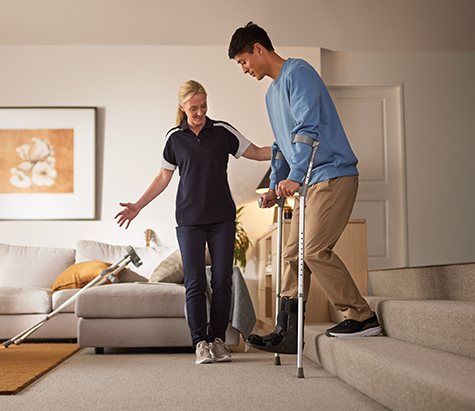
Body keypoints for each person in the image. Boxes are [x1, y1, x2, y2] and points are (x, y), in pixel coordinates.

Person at [228, 22, 382, 354]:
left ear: (258, 49)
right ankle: (287, 329)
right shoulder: (271, 94)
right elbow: (281, 145)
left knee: (312, 250)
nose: (244, 69)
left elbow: (306, 129)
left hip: (332, 174)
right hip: (309, 182)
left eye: (243, 61)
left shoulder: (298, 72)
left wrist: (295, 175)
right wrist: (273, 185)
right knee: (290, 255)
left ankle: (362, 317)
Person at [115, 80, 270, 364]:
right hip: (189, 221)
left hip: (223, 219)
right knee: (196, 282)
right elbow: (163, 178)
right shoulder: (174, 138)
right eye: (194, 108)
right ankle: (200, 342)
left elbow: (258, 152)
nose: (200, 113)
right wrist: (137, 206)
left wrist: (287, 147)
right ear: (182, 107)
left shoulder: (222, 131)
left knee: (223, 281)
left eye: (204, 106)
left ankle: (218, 340)